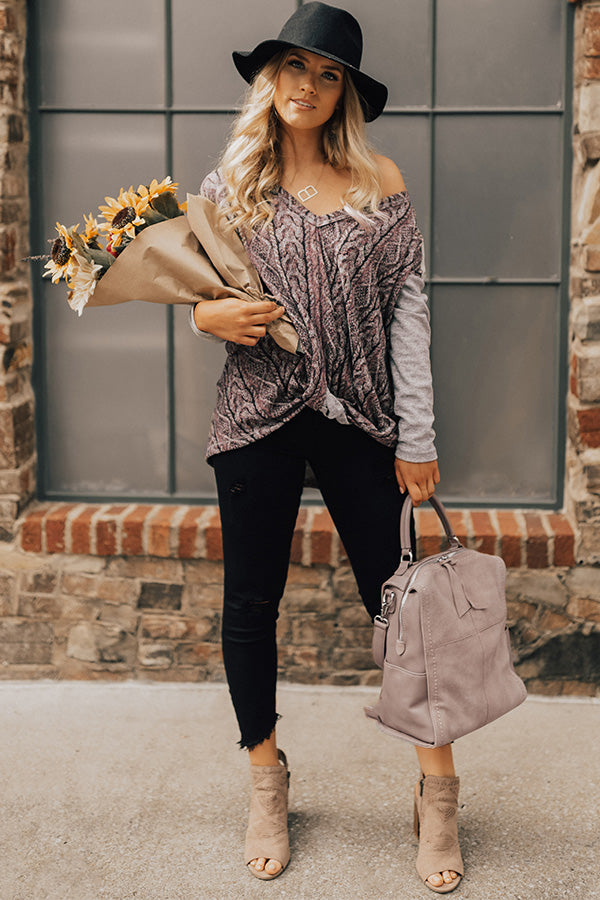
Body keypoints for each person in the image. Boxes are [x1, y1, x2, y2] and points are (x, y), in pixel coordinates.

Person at [189, 2, 462, 892]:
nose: (306, 86)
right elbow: (202, 293)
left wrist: (416, 437)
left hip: (360, 419)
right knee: (249, 604)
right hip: (258, 413)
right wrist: (206, 313)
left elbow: (407, 318)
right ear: (269, 77)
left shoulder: (380, 180)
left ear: (345, 91)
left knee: (404, 608)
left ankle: (439, 794)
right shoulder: (229, 184)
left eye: (327, 73)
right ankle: (266, 780)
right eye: (293, 67)